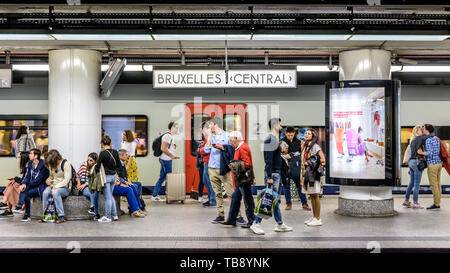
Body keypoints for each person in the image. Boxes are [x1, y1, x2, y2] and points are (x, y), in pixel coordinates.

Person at [250, 118, 293, 235]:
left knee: (275, 200)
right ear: (274, 125)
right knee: (267, 199)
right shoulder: (270, 139)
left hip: (276, 174)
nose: (281, 125)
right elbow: (268, 159)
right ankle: (256, 223)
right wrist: (269, 176)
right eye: (280, 123)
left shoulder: (274, 139)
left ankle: (279, 224)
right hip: (272, 174)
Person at [203, 117, 241, 224]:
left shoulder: (226, 136)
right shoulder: (211, 137)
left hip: (223, 168)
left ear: (216, 125)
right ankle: (220, 215)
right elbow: (206, 149)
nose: (209, 127)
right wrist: (210, 135)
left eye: (210, 125)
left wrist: (222, 147)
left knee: (230, 193)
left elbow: (232, 150)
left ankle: (238, 215)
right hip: (212, 168)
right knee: (217, 193)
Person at [221, 131, 255, 228]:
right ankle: (231, 219)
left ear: (236, 138)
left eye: (231, 140)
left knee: (248, 200)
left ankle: (251, 221)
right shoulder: (239, 147)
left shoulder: (242, 148)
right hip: (241, 180)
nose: (230, 143)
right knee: (235, 198)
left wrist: (234, 165)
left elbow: (247, 163)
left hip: (244, 179)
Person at [280, 126, 310, 211]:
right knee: (286, 186)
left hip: (296, 166)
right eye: (288, 135)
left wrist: (291, 155)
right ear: (286, 133)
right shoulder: (282, 141)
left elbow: (300, 153)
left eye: (292, 135)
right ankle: (288, 203)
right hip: (285, 167)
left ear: (294, 134)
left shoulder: (298, 142)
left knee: (299, 185)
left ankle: (304, 203)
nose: (290, 137)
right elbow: (280, 153)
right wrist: (286, 155)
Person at [15, 149, 49, 222]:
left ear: (36, 156)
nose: (29, 155)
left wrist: (26, 185)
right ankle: (22, 210)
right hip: (32, 185)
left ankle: (21, 209)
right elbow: (27, 176)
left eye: (31, 154)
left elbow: (38, 180)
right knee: (25, 191)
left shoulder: (43, 165)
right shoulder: (30, 164)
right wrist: (23, 183)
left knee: (25, 189)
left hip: (41, 186)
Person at [301, 129, 326, 226]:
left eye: (308, 133)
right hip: (307, 174)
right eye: (305, 133)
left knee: (315, 195)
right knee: (311, 196)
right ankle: (314, 217)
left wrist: (313, 166)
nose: (306, 135)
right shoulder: (306, 146)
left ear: (313, 136)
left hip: (314, 175)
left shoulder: (316, 146)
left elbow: (322, 159)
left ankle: (318, 218)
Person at [95, 135, 122, 222]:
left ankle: (107, 217)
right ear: (110, 143)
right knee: (110, 196)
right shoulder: (115, 152)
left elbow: (97, 167)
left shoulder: (102, 153)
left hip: (106, 177)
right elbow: (119, 165)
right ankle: (115, 215)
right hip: (113, 176)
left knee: (108, 198)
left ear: (102, 143)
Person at [114, 149, 146, 217]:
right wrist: (123, 183)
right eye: (126, 155)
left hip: (121, 182)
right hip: (115, 185)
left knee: (133, 186)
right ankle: (134, 210)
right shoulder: (116, 165)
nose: (127, 156)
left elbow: (123, 177)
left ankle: (138, 208)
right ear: (120, 156)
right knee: (129, 189)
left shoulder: (121, 164)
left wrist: (127, 181)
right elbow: (116, 178)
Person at [42, 149, 72, 224]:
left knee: (55, 193)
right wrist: (48, 180)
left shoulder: (66, 164)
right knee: (45, 193)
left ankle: (61, 216)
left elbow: (67, 180)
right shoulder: (51, 164)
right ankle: (46, 215)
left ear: (57, 159)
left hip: (65, 188)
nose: (52, 165)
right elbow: (51, 177)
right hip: (54, 185)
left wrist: (56, 187)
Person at [152, 121, 179, 201]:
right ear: (172, 127)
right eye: (176, 128)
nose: (177, 130)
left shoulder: (168, 135)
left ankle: (155, 195)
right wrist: (172, 156)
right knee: (169, 179)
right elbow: (163, 148)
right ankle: (169, 196)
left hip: (165, 159)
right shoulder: (168, 136)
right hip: (166, 160)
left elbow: (167, 148)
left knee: (162, 177)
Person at [418, 124, 443, 210]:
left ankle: (436, 204)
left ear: (427, 130)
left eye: (424, 128)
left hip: (432, 164)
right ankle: (438, 202)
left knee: (433, 185)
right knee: (438, 183)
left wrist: (421, 153)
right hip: (439, 163)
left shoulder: (428, 140)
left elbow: (430, 153)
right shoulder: (436, 138)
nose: (423, 130)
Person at [402, 125, 428, 209]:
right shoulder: (419, 139)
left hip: (411, 162)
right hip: (417, 162)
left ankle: (406, 201)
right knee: (417, 184)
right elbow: (429, 136)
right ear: (417, 132)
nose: (422, 131)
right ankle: (415, 203)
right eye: (421, 130)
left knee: (411, 183)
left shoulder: (412, 140)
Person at [0, 152, 29, 217]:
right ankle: (5, 205)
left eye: (19, 157)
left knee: (12, 183)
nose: (17, 159)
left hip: (28, 186)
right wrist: (15, 179)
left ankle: (6, 205)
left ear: (23, 158)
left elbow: (26, 181)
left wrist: (15, 178)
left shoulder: (28, 167)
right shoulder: (26, 166)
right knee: (12, 183)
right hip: (24, 185)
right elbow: (24, 179)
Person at [198, 121, 217, 207]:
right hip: (206, 162)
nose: (202, 131)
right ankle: (210, 199)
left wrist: (199, 150)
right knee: (206, 181)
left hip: (209, 163)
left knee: (209, 182)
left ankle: (213, 200)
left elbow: (205, 150)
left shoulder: (210, 138)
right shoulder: (206, 139)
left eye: (203, 129)